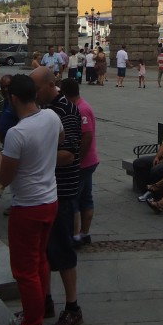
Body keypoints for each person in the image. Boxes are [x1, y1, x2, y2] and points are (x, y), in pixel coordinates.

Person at [0, 74, 64, 325]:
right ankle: (35, 313)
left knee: (25, 272)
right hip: (50, 201)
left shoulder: (17, 133)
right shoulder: (52, 117)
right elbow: (61, 139)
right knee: (40, 261)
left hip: (28, 207)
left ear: (13, 99)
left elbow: (4, 178)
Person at [31, 68, 84, 325]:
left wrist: (33, 162)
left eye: (37, 89)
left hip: (62, 192)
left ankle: (73, 308)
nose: (34, 95)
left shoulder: (66, 111)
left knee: (62, 250)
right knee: (44, 251)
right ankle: (46, 301)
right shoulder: (46, 109)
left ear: (51, 84)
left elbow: (69, 154)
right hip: (47, 190)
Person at [64, 78, 99, 248]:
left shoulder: (81, 109)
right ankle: (85, 234)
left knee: (74, 199)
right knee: (86, 198)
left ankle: (76, 235)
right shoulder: (79, 106)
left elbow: (87, 135)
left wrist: (78, 158)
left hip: (84, 163)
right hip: (88, 161)